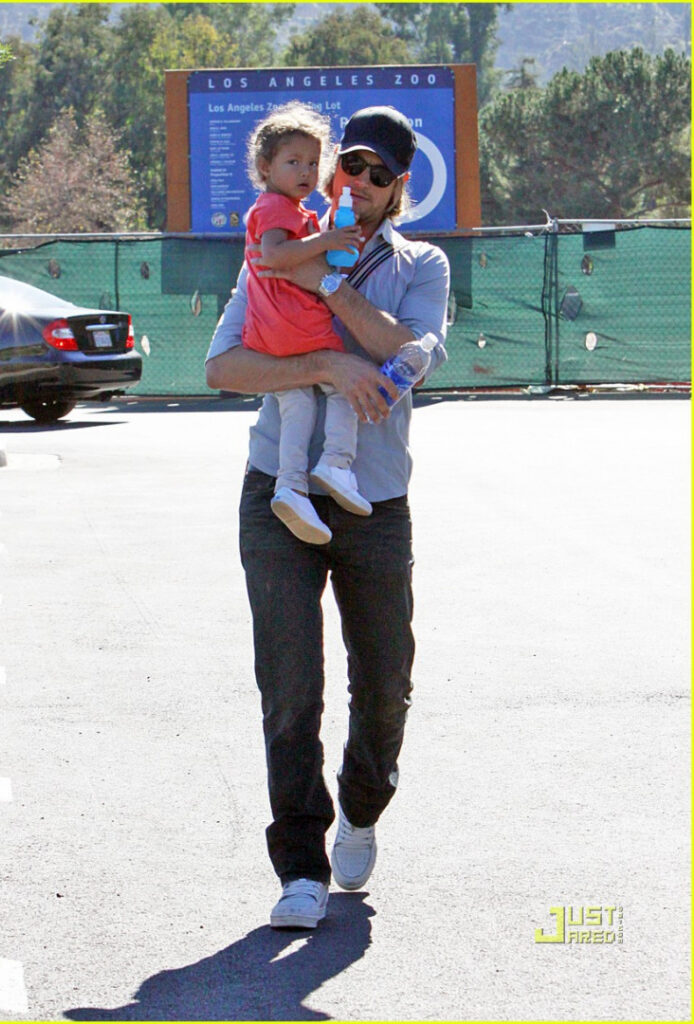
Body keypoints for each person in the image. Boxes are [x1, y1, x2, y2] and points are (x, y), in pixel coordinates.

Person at [206, 105, 450, 930]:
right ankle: (300, 867)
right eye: (351, 165)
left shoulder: (422, 264)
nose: (360, 182)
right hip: (276, 493)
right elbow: (224, 367)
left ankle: (362, 805)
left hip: (372, 500)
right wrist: (323, 362)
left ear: (399, 186)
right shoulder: (280, 240)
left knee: (384, 682)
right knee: (290, 686)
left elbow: (401, 352)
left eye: (379, 173)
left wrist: (328, 286)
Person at [242, 102, 372, 545]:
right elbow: (276, 255)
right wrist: (327, 239)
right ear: (265, 167)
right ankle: (336, 462)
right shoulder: (277, 208)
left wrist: (328, 240)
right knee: (344, 385)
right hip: (299, 328)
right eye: (293, 162)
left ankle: (290, 486)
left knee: (297, 403)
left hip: (271, 337)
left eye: (314, 163)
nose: (306, 172)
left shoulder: (287, 209)